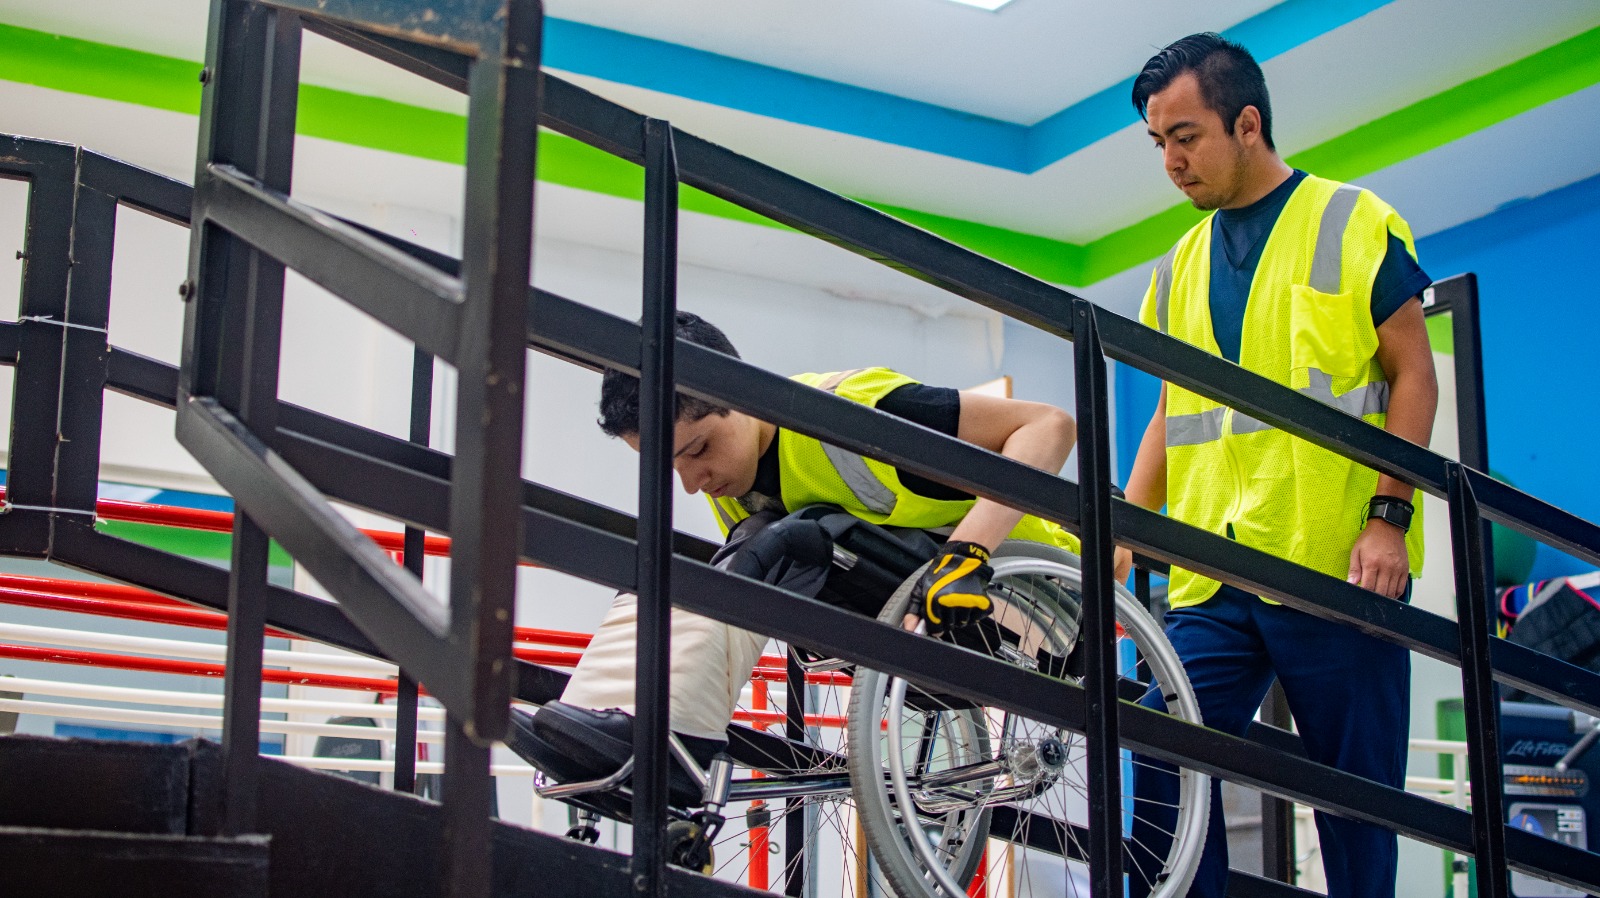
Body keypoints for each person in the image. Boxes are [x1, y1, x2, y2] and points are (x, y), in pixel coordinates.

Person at [1115, 33, 1438, 898]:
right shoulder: (1175, 270)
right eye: (1159, 143)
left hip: (1330, 560)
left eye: (1187, 136)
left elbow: (1413, 374)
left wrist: (1390, 518)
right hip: (1212, 570)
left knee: (1357, 801)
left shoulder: (1352, 220)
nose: (1171, 161)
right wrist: (1124, 530)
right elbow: (1171, 414)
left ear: (1247, 124)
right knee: (1161, 743)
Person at [517, 311, 1079, 788]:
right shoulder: (735, 487)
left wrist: (968, 554)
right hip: (918, 635)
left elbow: (1048, 425)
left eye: (699, 450)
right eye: (672, 467)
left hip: (1026, 607)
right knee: (695, 562)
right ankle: (614, 714)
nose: (691, 483)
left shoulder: (849, 411)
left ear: (740, 393)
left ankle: (674, 738)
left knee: (791, 533)